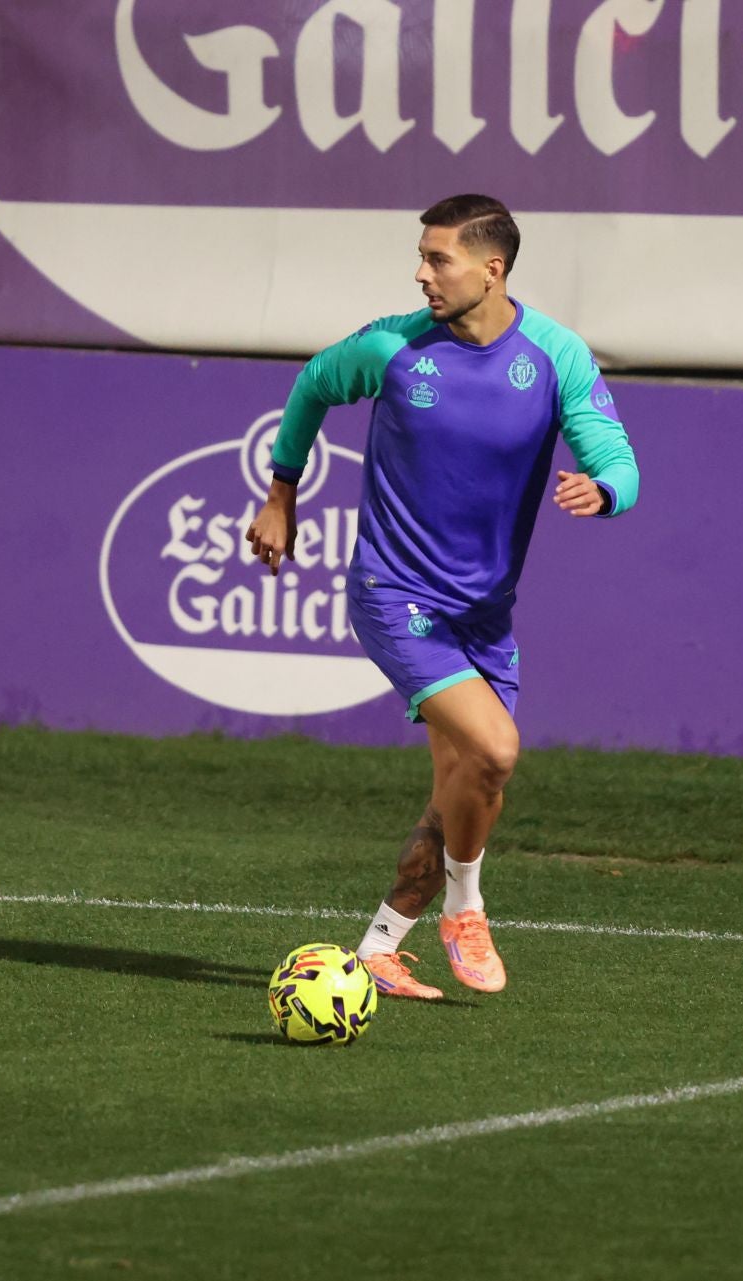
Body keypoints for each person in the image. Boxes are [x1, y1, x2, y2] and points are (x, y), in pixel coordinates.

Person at [247, 194, 639, 1001]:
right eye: (421, 257)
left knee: (467, 787)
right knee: (495, 749)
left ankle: (380, 949)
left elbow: (618, 456)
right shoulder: (393, 345)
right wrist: (281, 492)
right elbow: (314, 384)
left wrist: (604, 488)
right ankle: (467, 908)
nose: (421, 273)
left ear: (492, 269)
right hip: (395, 592)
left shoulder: (556, 354)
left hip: (483, 614)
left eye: (439, 259)